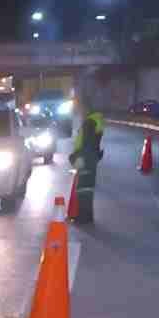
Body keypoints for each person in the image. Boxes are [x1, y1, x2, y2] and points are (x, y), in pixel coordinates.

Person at [68, 93, 105, 225]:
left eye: (80, 108)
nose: (79, 111)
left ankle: (83, 217)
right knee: (87, 188)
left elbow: (86, 144)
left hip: (86, 158)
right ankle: (87, 215)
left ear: (86, 108)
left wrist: (76, 157)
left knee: (83, 189)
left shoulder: (89, 123)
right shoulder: (96, 121)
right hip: (91, 158)